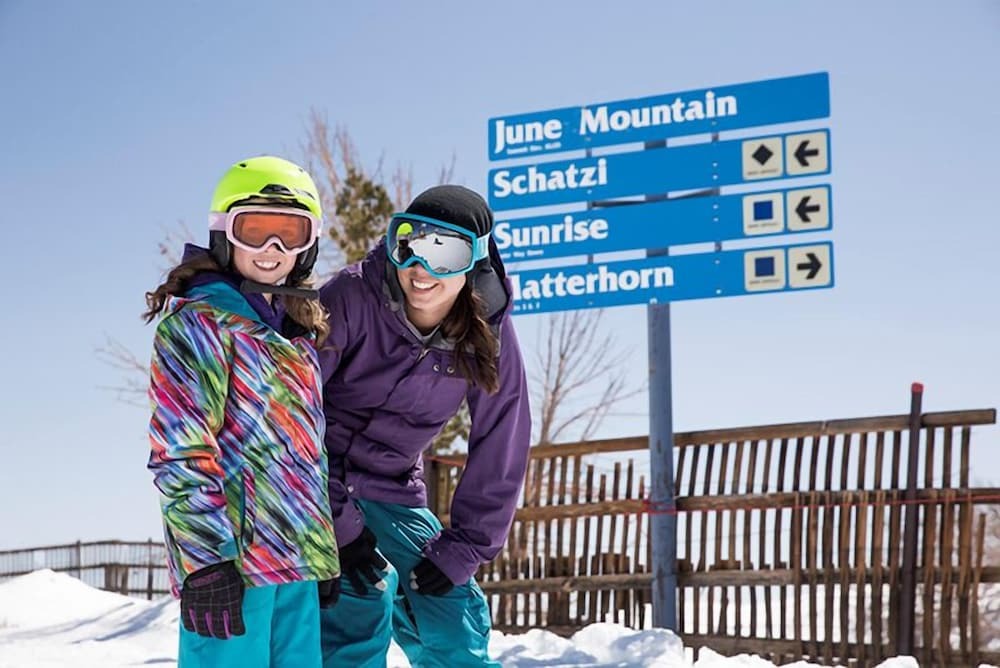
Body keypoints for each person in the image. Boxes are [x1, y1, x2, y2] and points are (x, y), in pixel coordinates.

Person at [317, 185, 531, 667]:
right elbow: (292, 410)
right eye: (409, 245)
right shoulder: (351, 296)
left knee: (452, 621)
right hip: (314, 482)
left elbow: (503, 437)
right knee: (357, 607)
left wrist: (465, 548)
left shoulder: (486, 333)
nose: (422, 269)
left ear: (473, 262)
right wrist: (336, 524)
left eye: (445, 253)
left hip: (390, 488)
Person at [145, 155, 341, 667]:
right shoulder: (198, 325)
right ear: (223, 234)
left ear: (308, 244)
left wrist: (319, 548)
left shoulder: (295, 337)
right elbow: (181, 451)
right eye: (254, 231)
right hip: (231, 569)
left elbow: (305, 456)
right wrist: (206, 561)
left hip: (294, 566)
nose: (272, 249)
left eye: (289, 233)